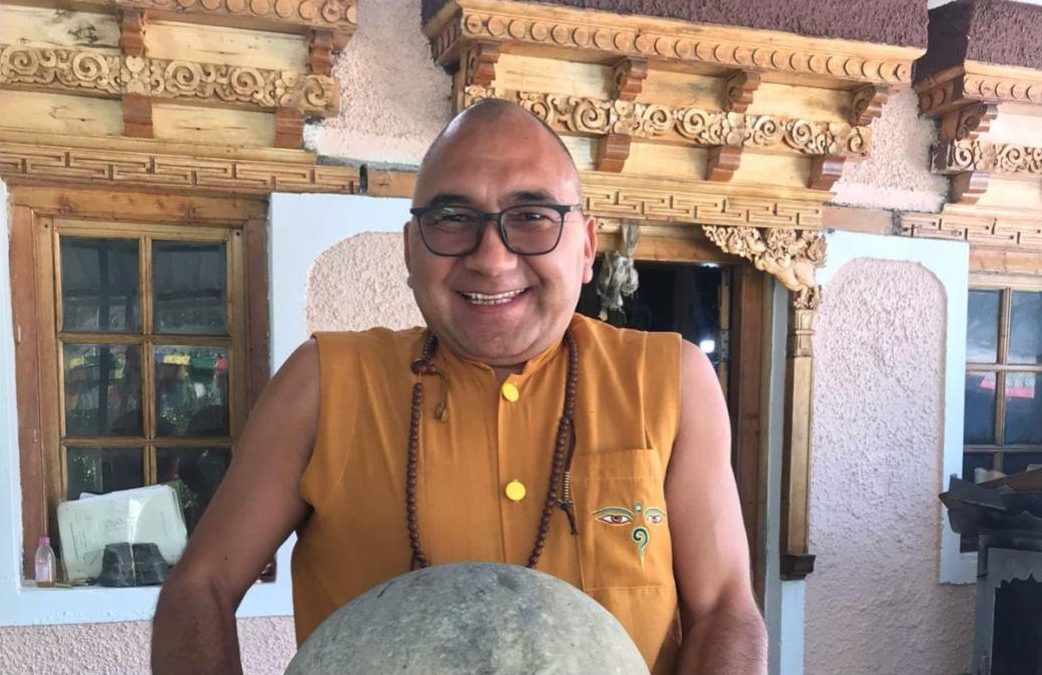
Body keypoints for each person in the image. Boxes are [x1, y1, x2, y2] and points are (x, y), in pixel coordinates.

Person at [152, 99, 767, 674]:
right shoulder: (325, 384)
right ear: (410, 250)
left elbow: (725, 612)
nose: (491, 259)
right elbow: (199, 589)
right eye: (453, 219)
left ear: (585, 247)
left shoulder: (670, 380)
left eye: (531, 218)